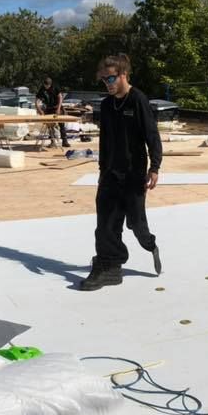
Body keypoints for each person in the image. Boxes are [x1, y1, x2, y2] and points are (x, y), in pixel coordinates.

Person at [80, 54, 162, 291]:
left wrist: (154, 167)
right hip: (110, 175)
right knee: (105, 224)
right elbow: (105, 142)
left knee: (137, 225)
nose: (108, 83)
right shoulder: (106, 105)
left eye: (112, 78)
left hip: (134, 175)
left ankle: (150, 244)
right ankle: (110, 266)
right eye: (104, 80)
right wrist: (102, 170)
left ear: (124, 74)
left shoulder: (138, 100)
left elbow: (152, 136)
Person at [35, 77, 69, 148]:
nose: (46, 87)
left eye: (47, 86)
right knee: (50, 126)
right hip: (49, 108)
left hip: (57, 107)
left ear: (50, 84)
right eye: (45, 85)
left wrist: (59, 108)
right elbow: (37, 100)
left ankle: (65, 141)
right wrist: (39, 109)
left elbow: (60, 98)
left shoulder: (55, 87)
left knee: (61, 124)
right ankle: (52, 141)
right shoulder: (42, 89)